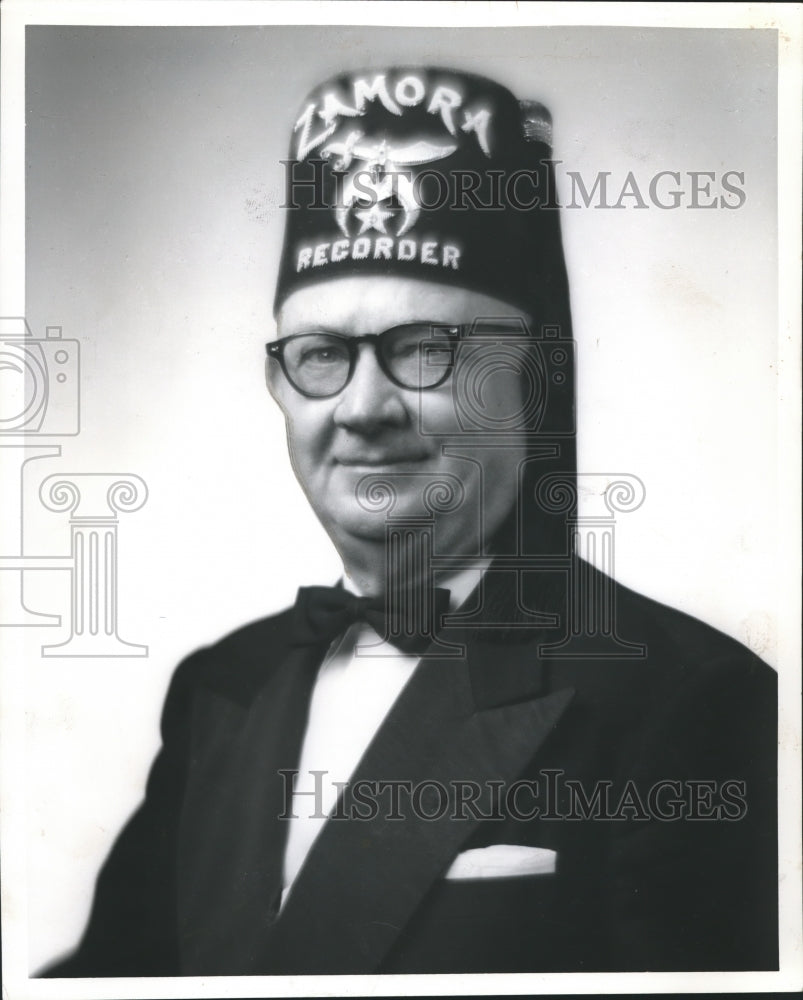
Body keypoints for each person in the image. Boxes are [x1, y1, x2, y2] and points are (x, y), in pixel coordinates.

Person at [43, 66, 778, 977]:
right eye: (320, 355)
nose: (362, 407)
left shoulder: (687, 700)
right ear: (278, 384)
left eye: (423, 350)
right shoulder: (219, 689)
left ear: (529, 381)